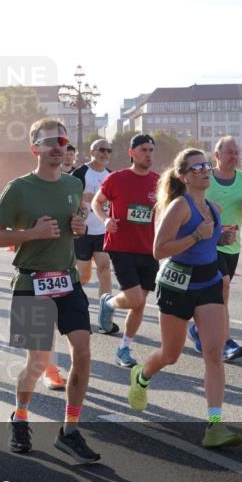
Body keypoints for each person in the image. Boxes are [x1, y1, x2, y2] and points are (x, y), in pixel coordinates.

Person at [0, 117, 100, 463]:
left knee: (82, 351)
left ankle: (70, 430)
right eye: (50, 141)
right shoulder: (18, 188)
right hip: (31, 281)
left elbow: (74, 227)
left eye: (62, 142)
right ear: (34, 148)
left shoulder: (72, 185)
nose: (57, 147)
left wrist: (79, 228)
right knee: (37, 362)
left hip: (67, 280)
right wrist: (31, 234)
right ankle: (20, 417)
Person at [126, 148, 242, 449]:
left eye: (206, 166)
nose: (204, 171)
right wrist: (196, 237)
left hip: (209, 283)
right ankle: (142, 375)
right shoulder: (180, 206)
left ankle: (214, 426)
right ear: (183, 176)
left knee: (213, 353)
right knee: (170, 354)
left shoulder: (213, 207)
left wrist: (221, 237)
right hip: (177, 285)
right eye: (196, 168)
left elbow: (210, 238)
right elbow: (158, 250)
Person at [187, 136, 242, 362]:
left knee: (219, 293)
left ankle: (199, 329)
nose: (234, 157)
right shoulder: (207, 179)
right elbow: (191, 204)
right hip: (208, 244)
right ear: (217, 156)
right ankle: (225, 341)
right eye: (229, 153)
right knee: (223, 286)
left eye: (237, 153)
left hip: (232, 245)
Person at [94, 134, 160, 367]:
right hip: (121, 245)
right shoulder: (117, 179)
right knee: (133, 298)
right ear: (132, 153)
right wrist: (105, 220)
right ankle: (109, 303)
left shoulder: (158, 181)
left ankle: (124, 348)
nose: (148, 154)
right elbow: (96, 202)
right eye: (144, 150)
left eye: (151, 150)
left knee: (140, 303)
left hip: (148, 248)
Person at [73, 138, 114, 308]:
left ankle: (106, 310)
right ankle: (70, 301)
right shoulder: (80, 173)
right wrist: (81, 199)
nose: (105, 153)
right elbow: (67, 199)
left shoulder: (111, 175)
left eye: (108, 150)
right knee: (83, 276)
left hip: (102, 231)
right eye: (101, 149)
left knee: (104, 268)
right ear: (92, 152)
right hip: (83, 231)